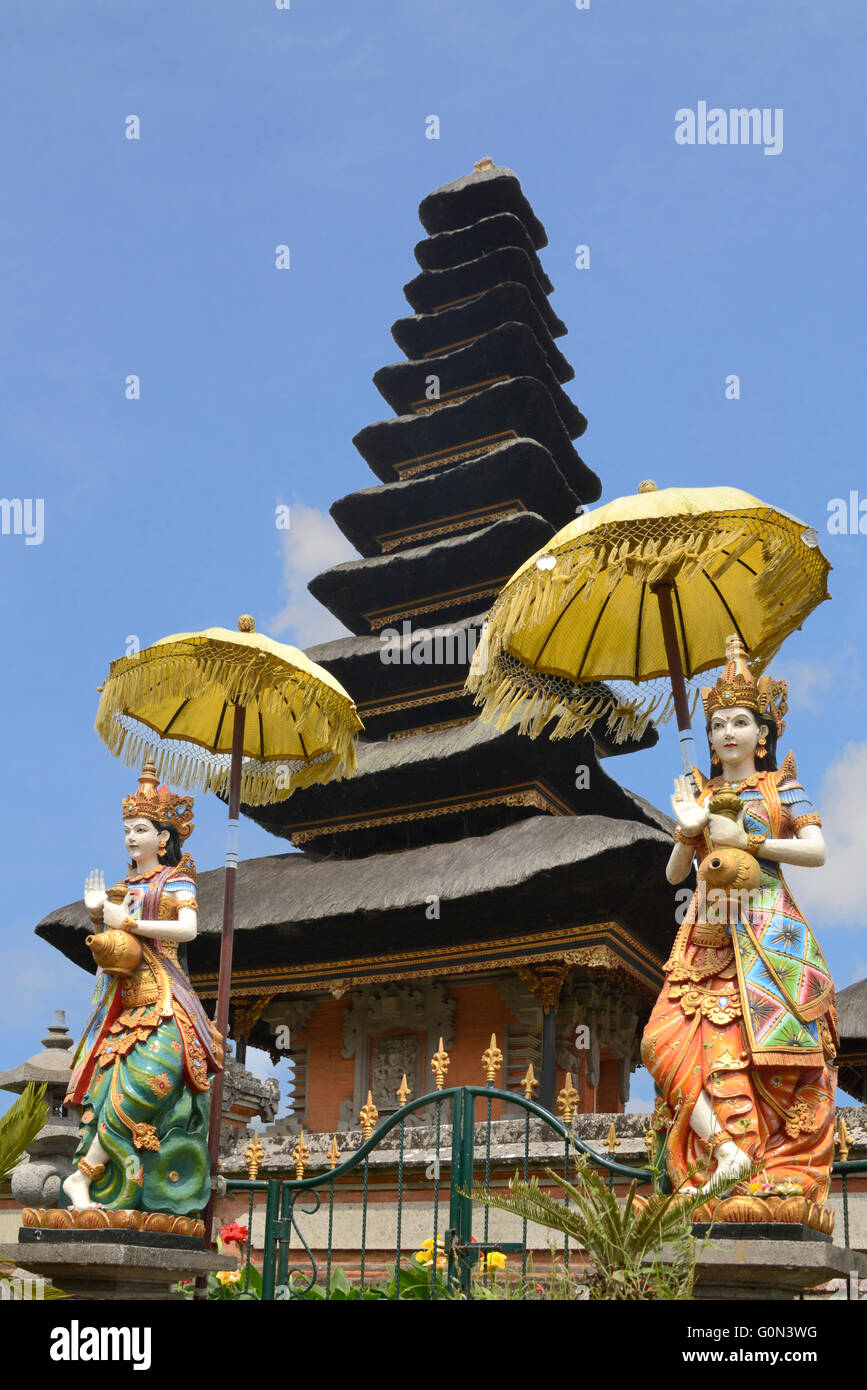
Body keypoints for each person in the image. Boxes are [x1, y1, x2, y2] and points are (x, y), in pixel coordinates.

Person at [641, 638, 836, 1206]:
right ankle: (725, 1148)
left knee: (745, 1050)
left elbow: (818, 851)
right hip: (704, 932)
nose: (728, 733)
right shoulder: (700, 791)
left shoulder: (781, 789)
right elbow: (678, 874)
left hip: (766, 928)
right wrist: (688, 827)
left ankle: (756, 1156)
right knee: (662, 1041)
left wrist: (748, 838)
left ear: (763, 734)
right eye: (718, 724)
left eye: (740, 722)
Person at [62, 762, 223, 1213]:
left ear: (163, 839)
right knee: (108, 1085)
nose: (132, 838)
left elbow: (188, 930)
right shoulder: (122, 886)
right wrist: (98, 916)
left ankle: (89, 1176)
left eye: (141, 829)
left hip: (168, 1001)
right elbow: (113, 948)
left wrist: (127, 920)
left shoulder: (176, 880)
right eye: (128, 830)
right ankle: (88, 1179)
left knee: (148, 1084)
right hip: (126, 1003)